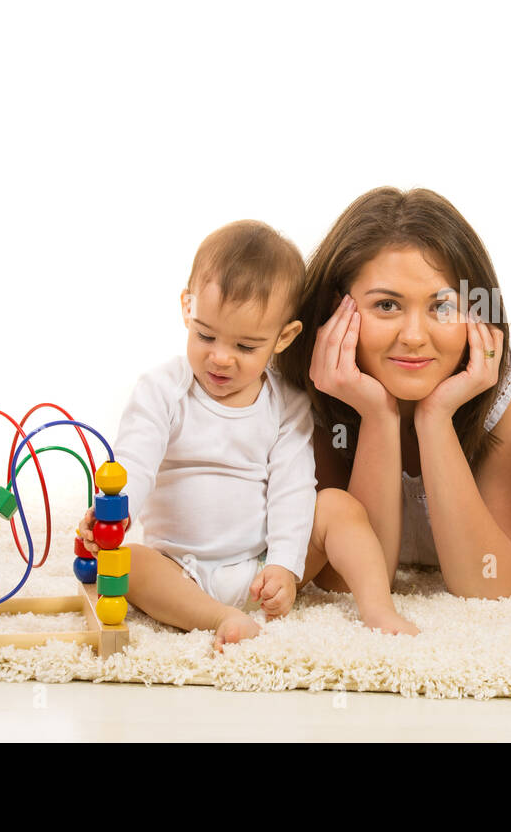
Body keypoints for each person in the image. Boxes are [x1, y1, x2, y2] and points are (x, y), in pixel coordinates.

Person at [79, 220, 417, 648]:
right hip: (179, 567)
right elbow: (136, 461)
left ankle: (378, 609)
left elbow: (292, 488)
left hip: (260, 565)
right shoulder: (161, 390)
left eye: (245, 346)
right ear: (187, 306)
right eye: (205, 335)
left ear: (284, 337)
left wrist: (283, 566)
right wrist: (117, 511)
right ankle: (219, 617)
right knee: (126, 563)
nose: (221, 358)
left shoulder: (286, 404)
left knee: (337, 506)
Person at [279, 187, 511, 599]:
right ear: (336, 308)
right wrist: (377, 416)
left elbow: (490, 581)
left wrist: (436, 418)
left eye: (442, 306)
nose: (415, 337)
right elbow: (346, 582)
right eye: (387, 305)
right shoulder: (299, 378)